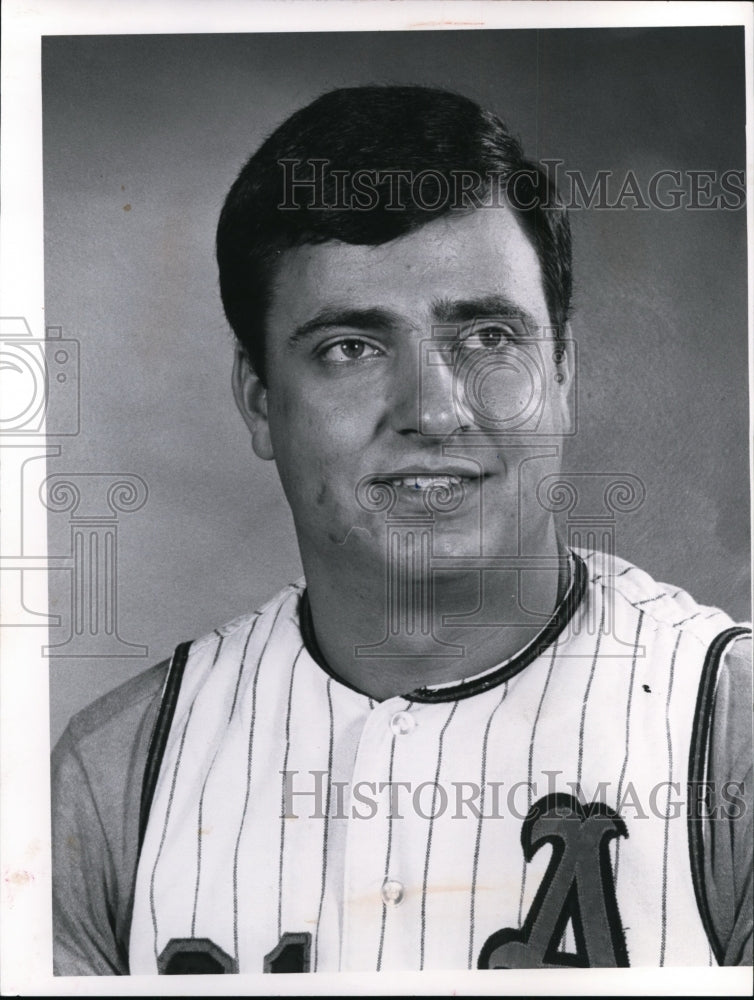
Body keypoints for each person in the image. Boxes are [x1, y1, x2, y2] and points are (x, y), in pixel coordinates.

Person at [52, 85, 752, 975]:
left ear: (564, 370)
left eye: (490, 336)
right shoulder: (112, 780)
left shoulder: (729, 735)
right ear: (260, 398)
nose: (435, 410)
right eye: (352, 346)